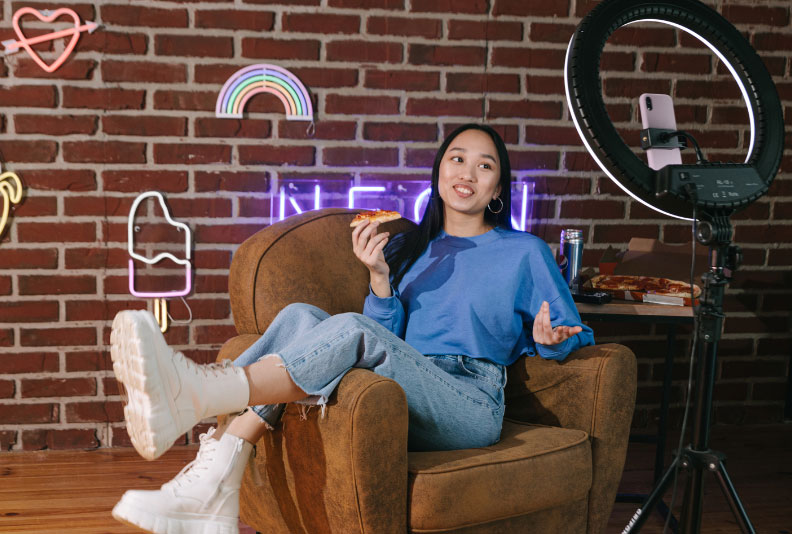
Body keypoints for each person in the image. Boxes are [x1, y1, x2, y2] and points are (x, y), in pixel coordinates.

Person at [109, 123, 595, 534]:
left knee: (351, 329)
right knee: (300, 316)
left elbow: (573, 331)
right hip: (406, 388)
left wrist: (546, 342)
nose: (467, 173)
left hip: (470, 400)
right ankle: (216, 484)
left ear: (498, 189)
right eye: (456, 158)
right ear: (440, 171)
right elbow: (388, 338)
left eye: (484, 165)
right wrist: (380, 278)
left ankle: (198, 395)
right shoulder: (412, 249)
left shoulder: (524, 252)